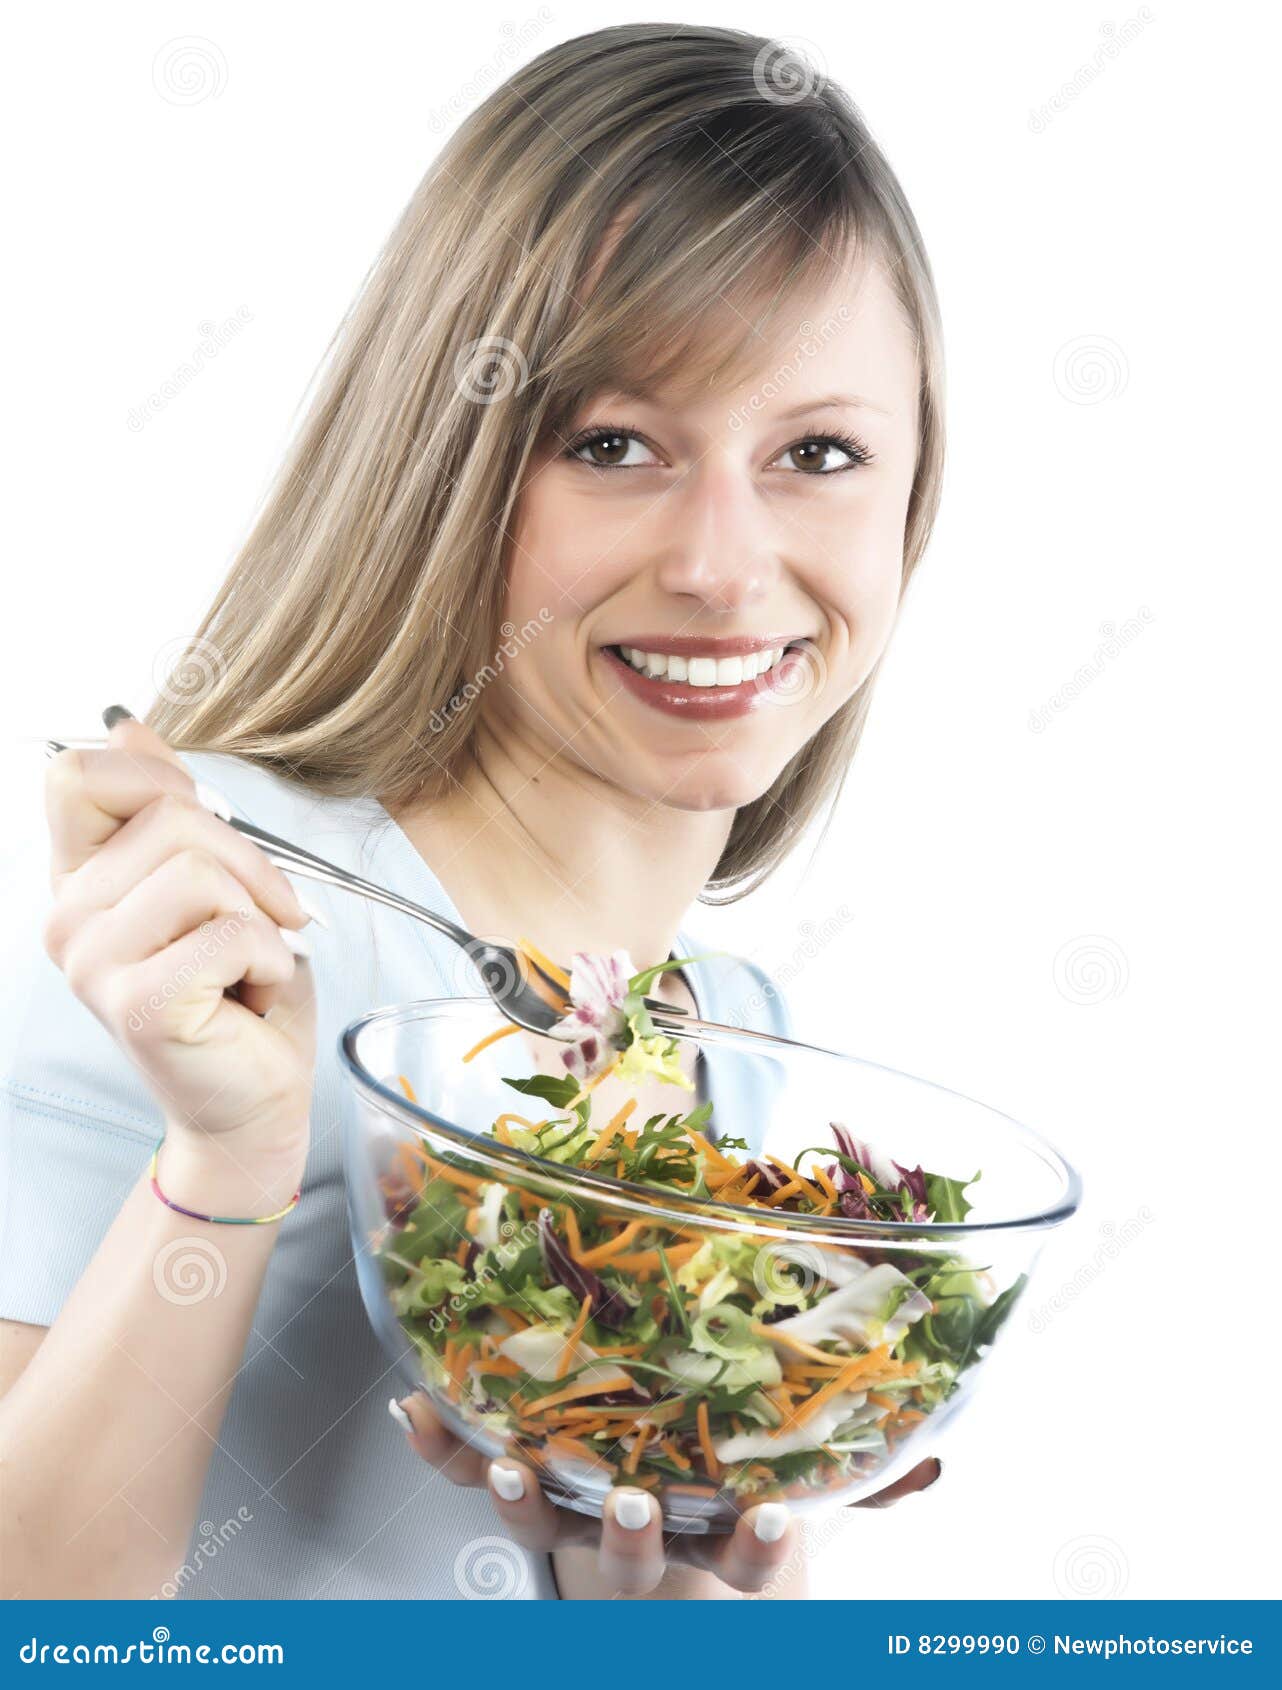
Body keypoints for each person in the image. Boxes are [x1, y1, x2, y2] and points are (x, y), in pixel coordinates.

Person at [0, 23, 945, 1600]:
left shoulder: (730, 1044)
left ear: (913, 499)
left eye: (818, 452)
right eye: (614, 444)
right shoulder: (212, 920)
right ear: (454, 465)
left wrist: (671, 1612)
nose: (723, 562)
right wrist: (227, 1152)